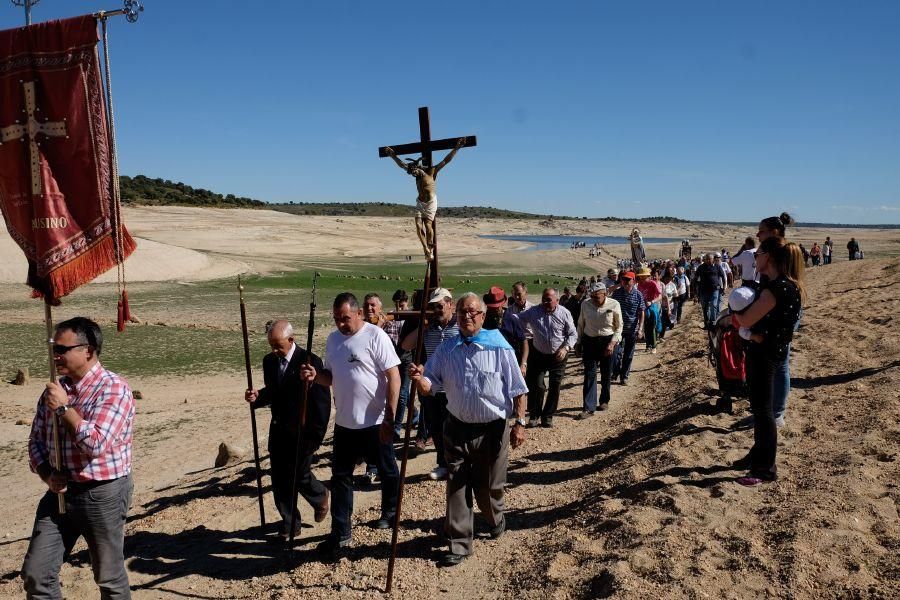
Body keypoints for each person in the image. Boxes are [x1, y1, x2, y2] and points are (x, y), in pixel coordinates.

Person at [409, 293, 528, 567]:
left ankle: (495, 516)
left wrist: (519, 423)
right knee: (457, 485)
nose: (467, 316)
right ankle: (460, 543)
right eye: (463, 312)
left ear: (483, 316)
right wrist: (419, 380)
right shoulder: (447, 349)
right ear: (456, 314)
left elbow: (518, 389)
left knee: (487, 487)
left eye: (473, 312)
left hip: (492, 429)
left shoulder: (499, 347)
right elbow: (431, 385)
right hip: (457, 427)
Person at [22, 317, 135, 599]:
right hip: (59, 492)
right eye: (53, 349)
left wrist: (63, 408)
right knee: (36, 574)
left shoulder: (114, 389)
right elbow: (36, 440)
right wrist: (47, 472)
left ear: (88, 349)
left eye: (62, 349)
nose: (55, 355)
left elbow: (96, 443)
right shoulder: (54, 390)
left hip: (102, 493)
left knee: (108, 576)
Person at [300, 293, 401, 558]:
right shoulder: (333, 341)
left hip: (375, 420)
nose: (341, 324)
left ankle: (390, 511)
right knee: (341, 478)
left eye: (345, 318)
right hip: (345, 422)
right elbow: (331, 378)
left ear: (358, 313)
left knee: (388, 469)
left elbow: (394, 376)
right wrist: (315, 376)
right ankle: (341, 532)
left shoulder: (375, 336)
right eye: (336, 319)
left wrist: (390, 417)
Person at [245, 320, 331, 538]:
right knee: (280, 479)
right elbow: (274, 392)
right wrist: (257, 397)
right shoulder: (269, 361)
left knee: (299, 474)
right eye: (271, 345)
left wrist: (316, 436)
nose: (274, 350)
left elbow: (322, 403)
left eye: (278, 345)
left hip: (304, 431)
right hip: (279, 429)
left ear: (291, 340)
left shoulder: (309, 361)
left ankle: (320, 496)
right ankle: (290, 522)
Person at [732, 238, 804, 485]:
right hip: (772, 351)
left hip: (764, 354)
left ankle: (765, 469)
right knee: (763, 411)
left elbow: (745, 319)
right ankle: (760, 462)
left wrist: (735, 308)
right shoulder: (788, 285)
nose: (755, 257)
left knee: (763, 412)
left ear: (770, 257)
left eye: (759, 253)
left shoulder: (776, 289)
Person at [401, 288, 459, 480]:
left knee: (456, 428)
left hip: (456, 386)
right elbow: (406, 345)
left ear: (451, 304)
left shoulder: (460, 326)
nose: (437, 310)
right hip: (433, 385)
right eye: (433, 307)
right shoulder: (428, 328)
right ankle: (443, 464)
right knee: (437, 427)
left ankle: (458, 463)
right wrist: (423, 327)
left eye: (440, 306)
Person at [384, 138, 467, 261]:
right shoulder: (416, 174)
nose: (414, 173)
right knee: (418, 227)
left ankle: (431, 248)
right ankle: (425, 249)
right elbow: (402, 165)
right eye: (413, 172)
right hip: (420, 202)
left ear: (419, 168)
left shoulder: (432, 171)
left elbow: (446, 160)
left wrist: (457, 148)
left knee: (428, 227)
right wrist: (392, 155)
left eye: (415, 171)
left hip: (431, 202)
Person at [517, 288, 577, 427]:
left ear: (556, 300)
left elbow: (573, 334)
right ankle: (534, 415)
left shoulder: (564, 313)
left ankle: (548, 416)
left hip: (559, 355)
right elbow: (518, 319)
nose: (545, 302)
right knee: (537, 385)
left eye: (548, 300)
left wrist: (566, 348)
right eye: (543, 299)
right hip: (539, 354)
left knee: (555, 386)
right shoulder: (533, 312)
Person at [576, 282, 622, 416]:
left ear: (605, 294)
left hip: (608, 341)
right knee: (590, 374)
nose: (594, 301)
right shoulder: (585, 304)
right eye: (592, 297)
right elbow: (580, 324)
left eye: (597, 298)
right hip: (590, 341)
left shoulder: (614, 304)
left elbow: (619, 327)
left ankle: (604, 400)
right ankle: (589, 407)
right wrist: (578, 343)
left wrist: (612, 343)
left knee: (606, 373)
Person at [482, 286, 529, 370]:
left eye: (495, 308)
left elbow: (524, 342)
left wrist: (523, 363)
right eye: (490, 307)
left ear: (502, 304)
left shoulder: (511, 319)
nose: (492, 310)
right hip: (490, 362)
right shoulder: (483, 319)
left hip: (511, 362)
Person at [610, 272, 645, 385]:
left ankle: (624, 376)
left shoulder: (638, 295)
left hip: (632, 329)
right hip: (617, 330)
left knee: (628, 354)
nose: (625, 282)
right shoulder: (616, 294)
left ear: (633, 281)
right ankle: (615, 372)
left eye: (628, 280)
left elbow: (641, 312)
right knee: (615, 353)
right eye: (624, 279)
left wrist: (640, 329)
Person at [694, 253, 726, 330]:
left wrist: (724, 287)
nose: (708, 260)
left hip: (715, 290)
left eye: (710, 259)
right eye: (706, 259)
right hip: (703, 291)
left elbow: (723, 276)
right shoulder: (701, 267)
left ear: (713, 259)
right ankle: (706, 323)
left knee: (713, 305)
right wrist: (696, 289)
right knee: (705, 308)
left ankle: (713, 323)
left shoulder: (717, 267)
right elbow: (695, 278)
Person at [635, 267, 660, 353]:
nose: (642, 278)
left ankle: (654, 346)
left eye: (644, 276)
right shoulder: (639, 285)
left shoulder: (653, 284)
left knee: (652, 327)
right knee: (646, 327)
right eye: (641, 277)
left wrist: (652, 301)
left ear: (648, 276)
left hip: (652, 307)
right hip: (643, 308)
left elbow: (660, 296)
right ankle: (648, 345)